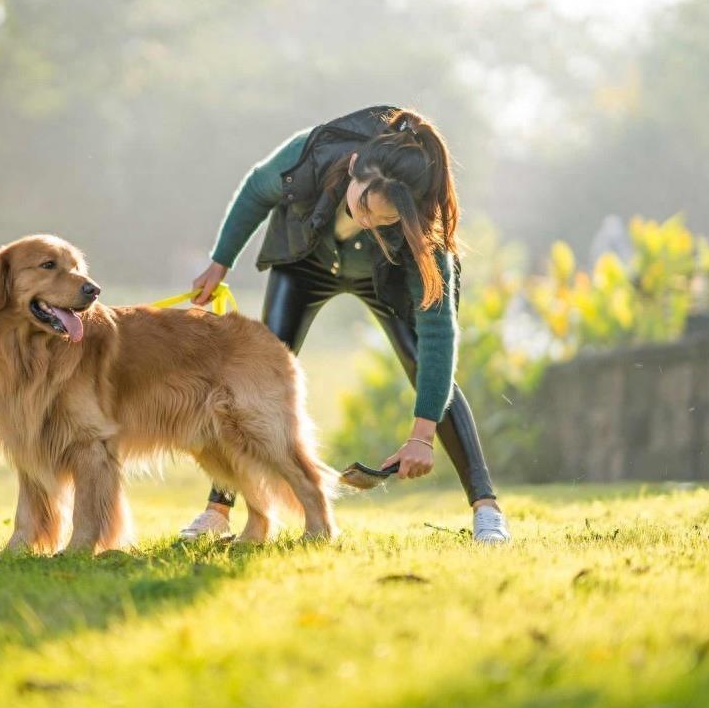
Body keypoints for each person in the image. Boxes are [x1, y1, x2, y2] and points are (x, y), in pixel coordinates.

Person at [180, 105, 510, 544]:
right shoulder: (313, 153)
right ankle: (217, 510)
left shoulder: (422, 235)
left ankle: (487, 510)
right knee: (251, 378)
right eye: (364, 208)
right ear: (354, 168)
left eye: (386, 220)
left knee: (422, 361)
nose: (369, 224)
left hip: (383, 275)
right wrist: (220, 262)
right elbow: (257, 191)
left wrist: (421, 436)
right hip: (305, 261)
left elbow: (438, 336)